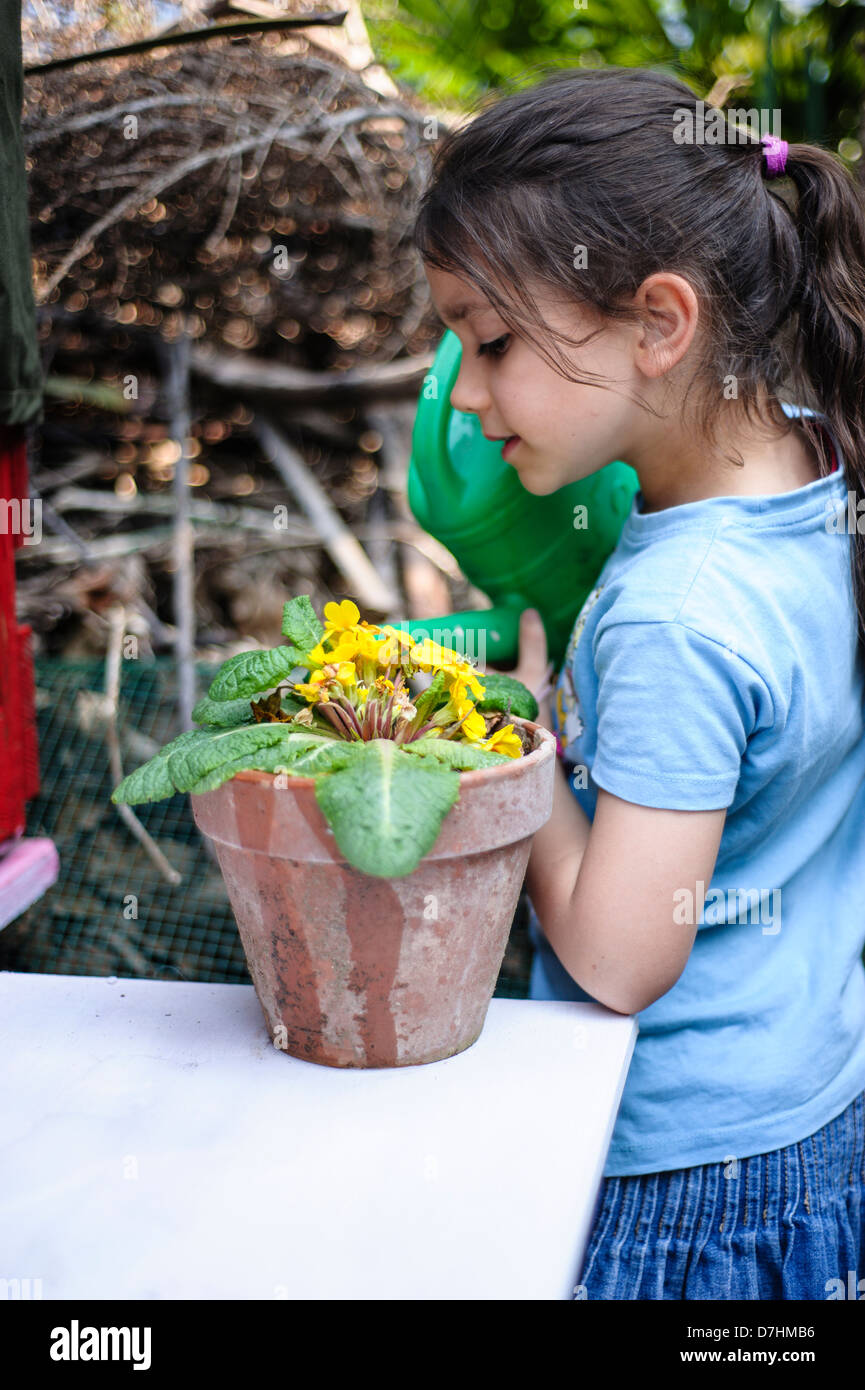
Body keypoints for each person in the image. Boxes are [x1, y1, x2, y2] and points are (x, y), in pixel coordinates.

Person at [413, 65, 865, 1300]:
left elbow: (620, 955)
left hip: (674, 1183)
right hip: (808, 1112)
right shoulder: (818, 465)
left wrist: (515, 752)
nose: (466, 394)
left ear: (661, 324)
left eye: (492, 342)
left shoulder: (678, 611)